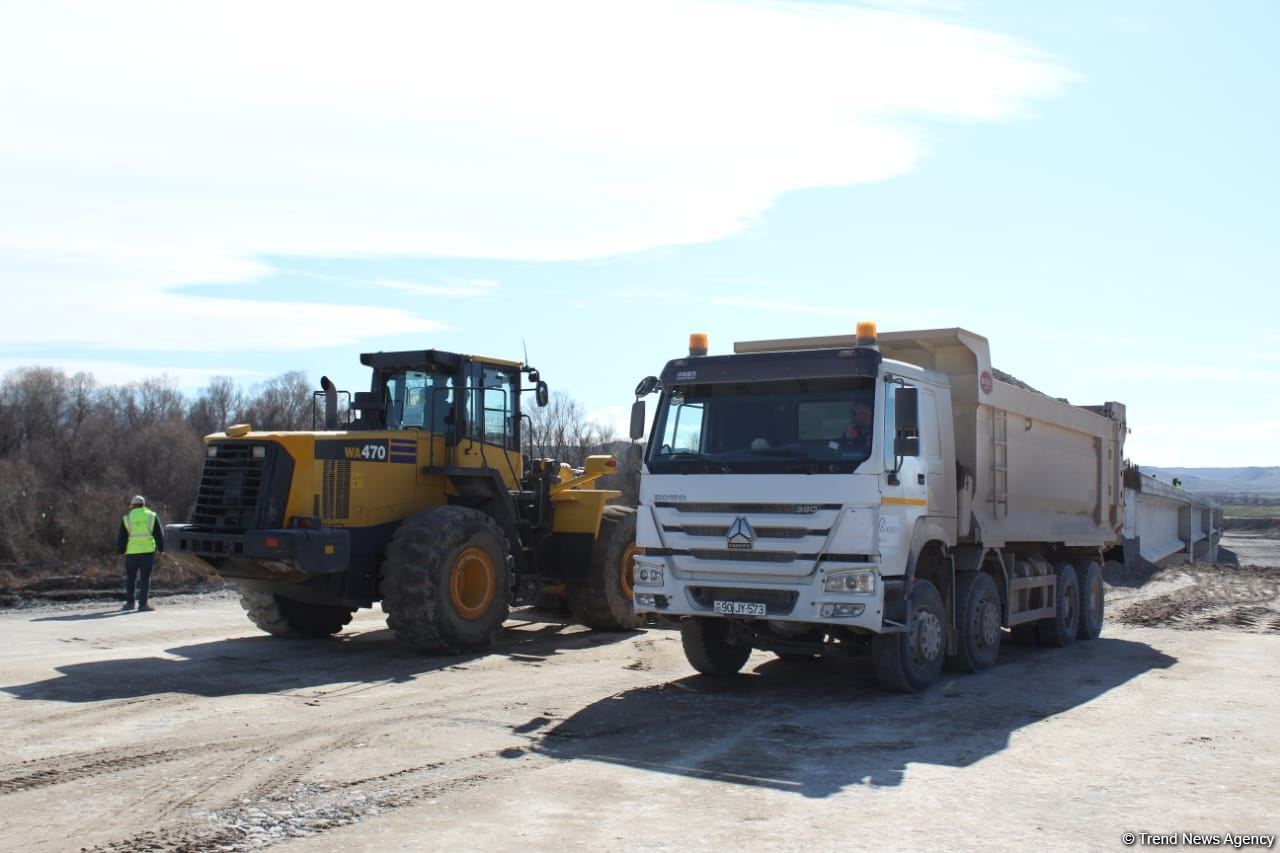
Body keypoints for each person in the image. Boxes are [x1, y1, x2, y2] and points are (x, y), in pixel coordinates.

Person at [118, 495, 164, 611]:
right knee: (145, 577)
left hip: (131, 552)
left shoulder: (127, 518)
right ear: (143, 505)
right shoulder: (151, 516)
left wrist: (121, 551)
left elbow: (122, 537)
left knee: (131, 577)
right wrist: (161, 549)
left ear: (132, 505)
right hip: (147, 551)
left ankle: (130, 603)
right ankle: (143, 604)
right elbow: (159, 534)